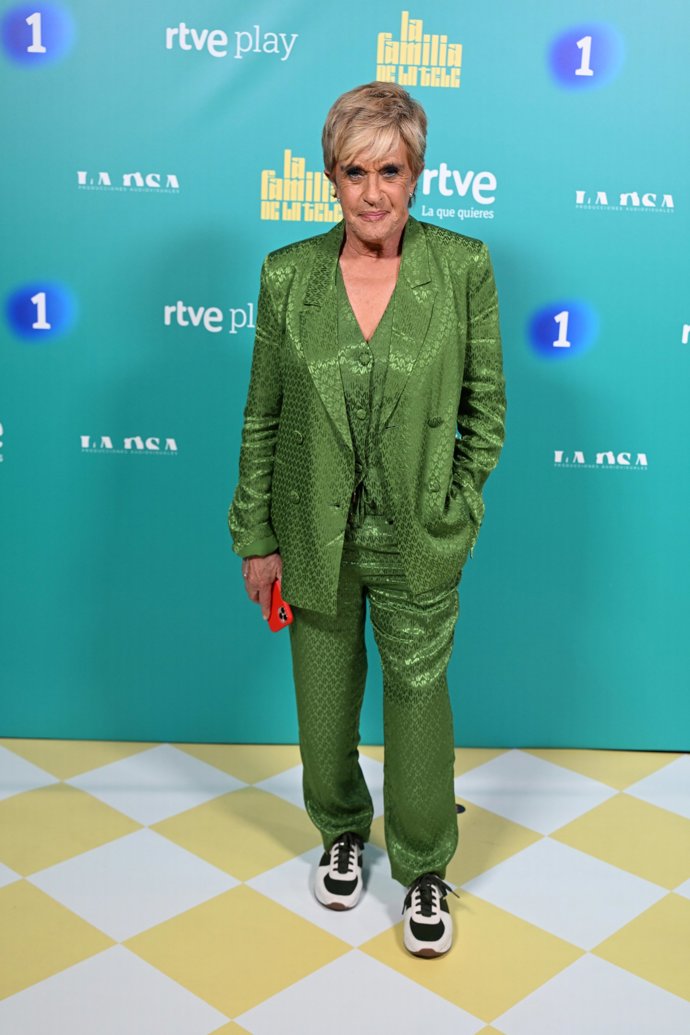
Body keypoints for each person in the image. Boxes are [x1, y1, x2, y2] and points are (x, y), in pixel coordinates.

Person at [228, 81, 506, 957]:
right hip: (310, 531)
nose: (374, 192)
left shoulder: (461, 267)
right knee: (323, 699)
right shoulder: (287, 274)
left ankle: (424, 866)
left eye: (391, 170)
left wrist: (455, 506)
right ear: (331, 179)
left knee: (419, 700)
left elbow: (486, 411)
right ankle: (342, 830)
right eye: (356, 172)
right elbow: (263, 416)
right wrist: (256, 536)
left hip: (418, 532)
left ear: (417, 174)